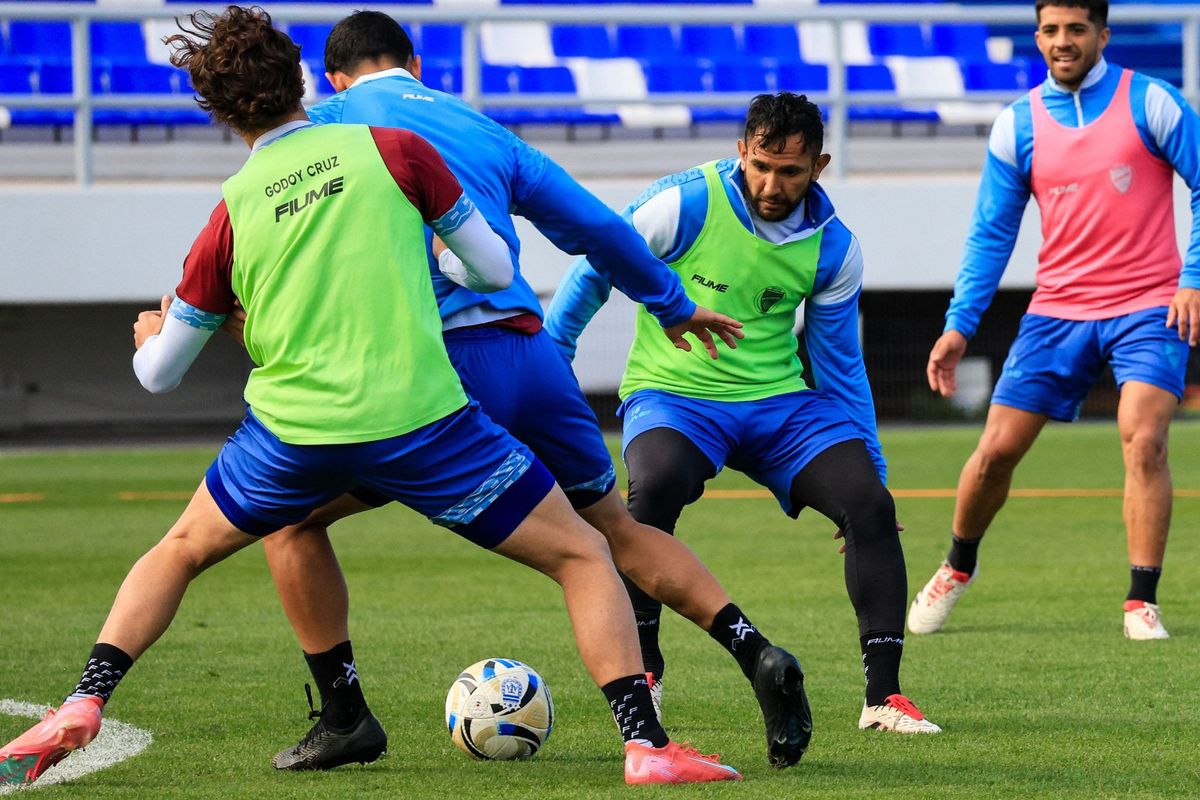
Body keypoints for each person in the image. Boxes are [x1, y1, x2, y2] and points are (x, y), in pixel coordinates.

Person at [0, 8, 741, 788]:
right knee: (585, 551)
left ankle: (86, 699)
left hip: (292, 434)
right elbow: (492, 272)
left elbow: (159, 377)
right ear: (302, 83)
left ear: (223, 114)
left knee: (182, 550)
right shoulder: (397, 151)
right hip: (420, 419)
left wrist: (153, 332)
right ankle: (646, 746)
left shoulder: (232, 210)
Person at [258, 10, 810, 773]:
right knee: (614, 529)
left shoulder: (326, 123)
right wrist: (673, 303)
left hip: (444, 370)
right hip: (533, 353)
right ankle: (753, 651)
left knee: (288, 521)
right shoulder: (487, 131)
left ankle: (346, 715)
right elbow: (598, 228)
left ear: (334, 77)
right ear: (416, 67)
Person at [546, 92, 941, 735]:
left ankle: (884, 699)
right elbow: (596, 270)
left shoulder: (833, 247)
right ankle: (645, 673)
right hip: (674, 398)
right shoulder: (683, 204)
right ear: (741, 152)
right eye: (761, 166)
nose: (771, 184)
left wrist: (871, 465)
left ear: (820, 165)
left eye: (790, 171)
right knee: (652, 493)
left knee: (870, 505)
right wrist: (553, 360)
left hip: (779, 405)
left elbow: (839, 363)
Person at [910, 0, 1200, 641]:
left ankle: (1140, 602)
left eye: (1075, 29)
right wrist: (959, 325)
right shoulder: (1018, 125)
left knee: (1143, 440)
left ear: (1102, 33)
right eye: (1050, 30)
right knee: (994, 456)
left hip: (1148, 304)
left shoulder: (1153, 102)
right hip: (1057, 312)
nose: (1061, 41)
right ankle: (957, 567)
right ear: (1037, 36)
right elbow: (992, 233)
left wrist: (1193, 280)